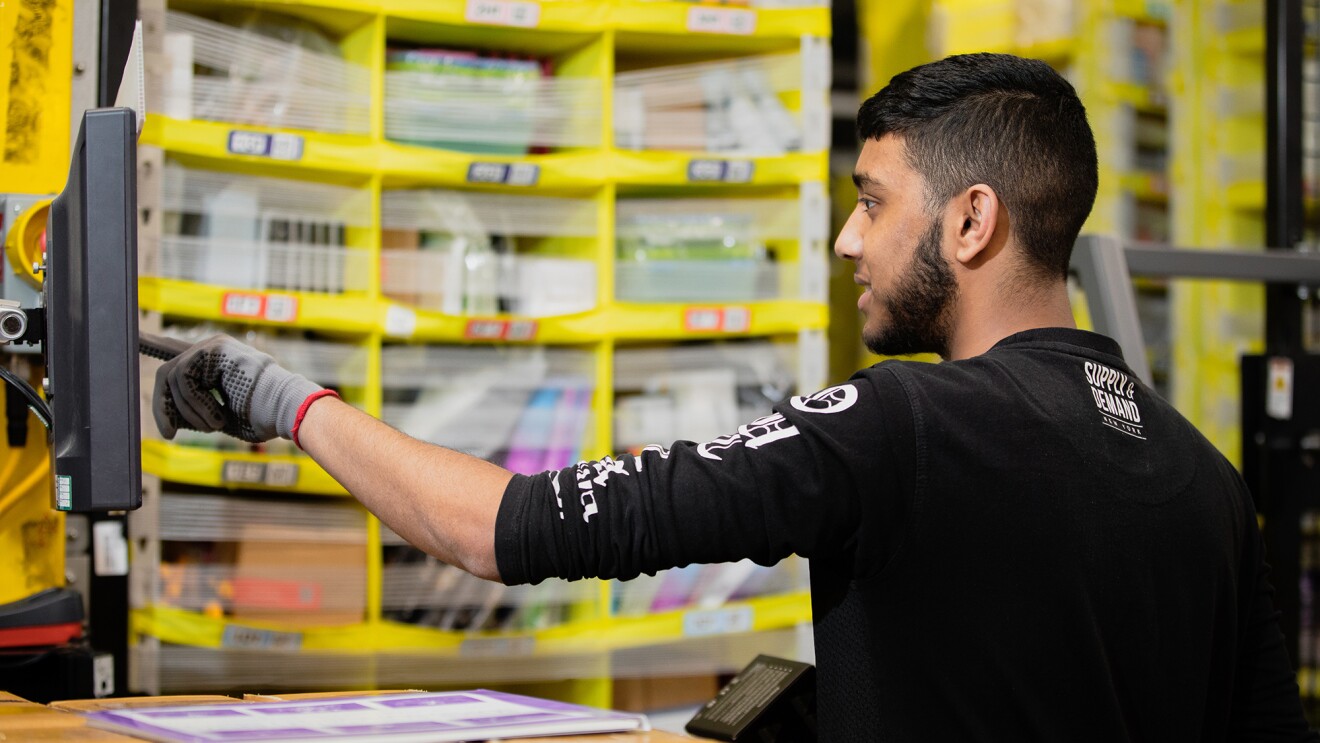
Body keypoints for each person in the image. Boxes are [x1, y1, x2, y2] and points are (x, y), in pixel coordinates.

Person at [151, 53, 1316, 740]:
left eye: (872, 199)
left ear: (971, 220)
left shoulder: (900, 421)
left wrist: (277, 396)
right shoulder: (1205, 479)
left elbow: (501, 528)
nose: (848, 238)